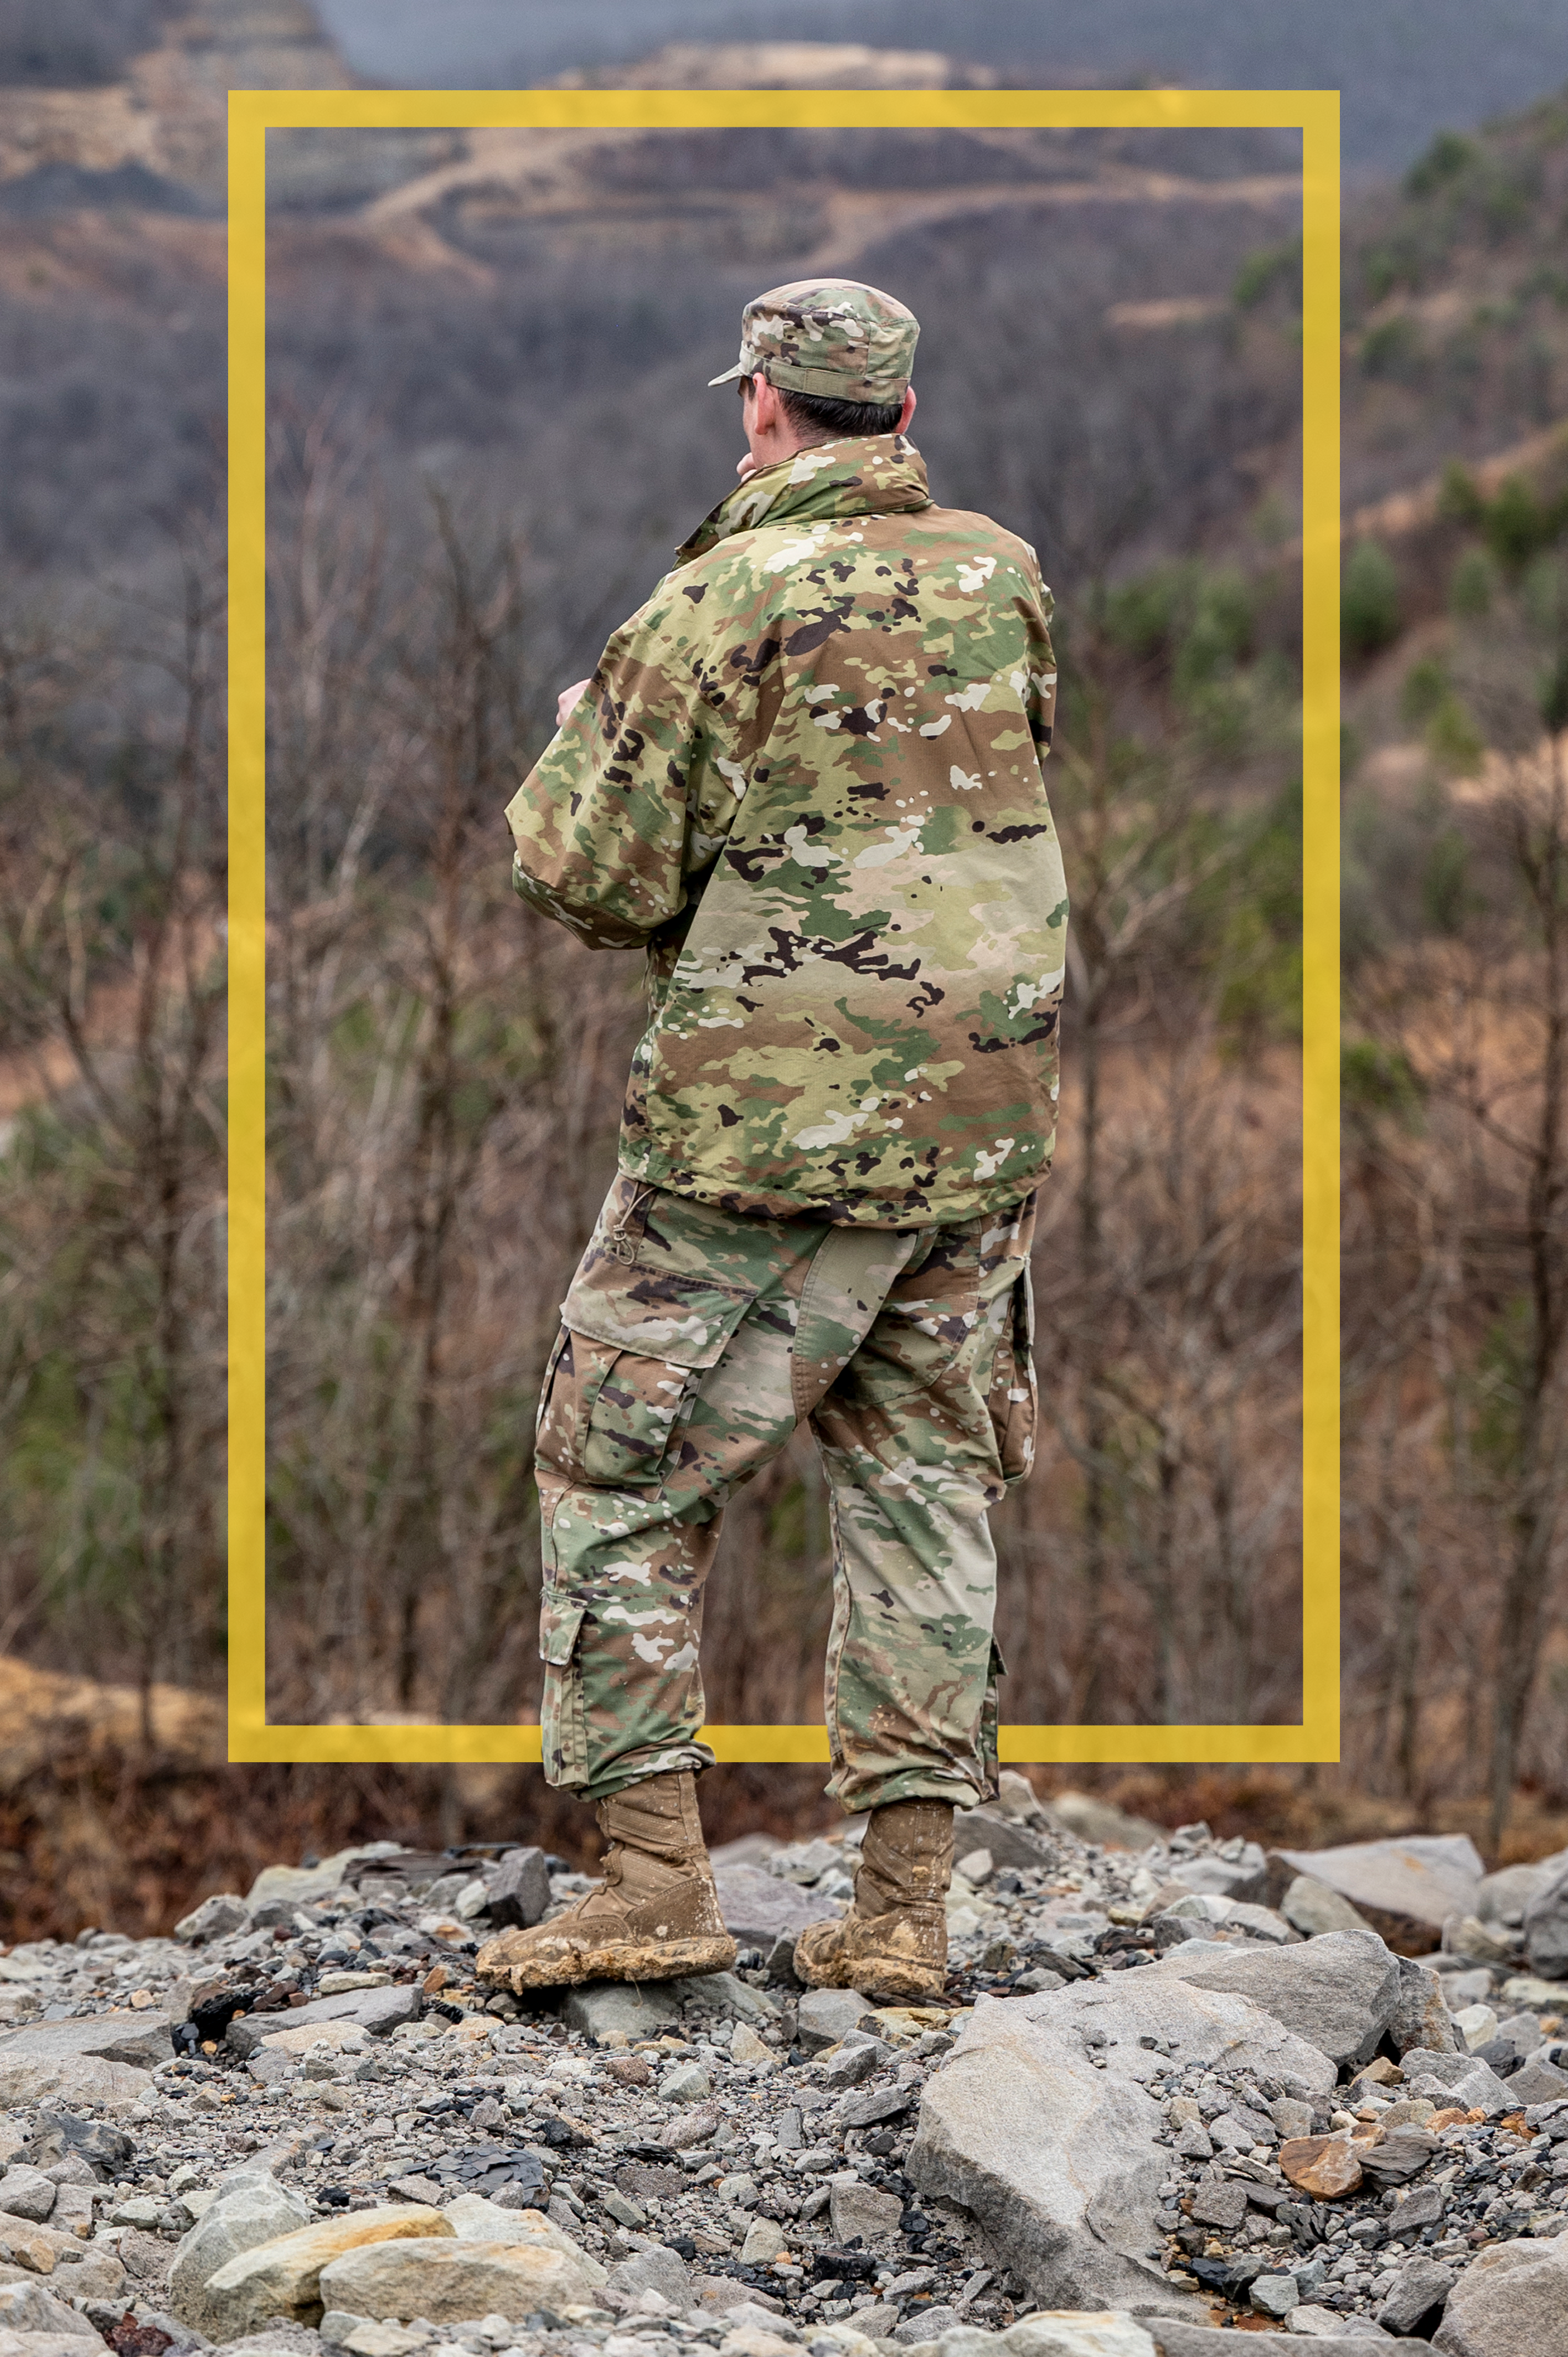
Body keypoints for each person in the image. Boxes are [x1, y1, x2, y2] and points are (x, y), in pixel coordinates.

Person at [478, 278, 1067, 2005]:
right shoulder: (1001, 571)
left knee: (619, 1467)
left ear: (762, 410)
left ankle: (654, 1878)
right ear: (899, 400)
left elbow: (586, 874)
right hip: (978, 1119)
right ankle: (902, 1911)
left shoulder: (718, 595)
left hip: (765, 1128)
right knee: (922, 1483)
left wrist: (586, 726)